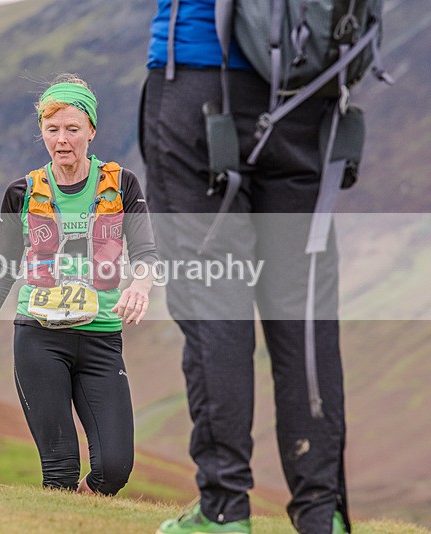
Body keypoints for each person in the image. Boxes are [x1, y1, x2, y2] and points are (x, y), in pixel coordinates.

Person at [141, 2, 350, 533]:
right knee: (303, 305)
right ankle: (324, 515)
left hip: (198, 79)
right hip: (308, 88)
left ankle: (224, 511)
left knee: (213, 298)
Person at [0, 74, 158, 495]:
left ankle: (80, 511)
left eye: (72, 129)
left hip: (101, 338)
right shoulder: (22, 192)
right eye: (52, 130)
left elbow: (145, 253)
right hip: (38, 338)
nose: (62, 140)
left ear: (91, 131)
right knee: (60, 471)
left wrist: (141, 285)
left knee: (114, 470)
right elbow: (2, 267)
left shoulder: (122, 185)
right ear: (42, 134)